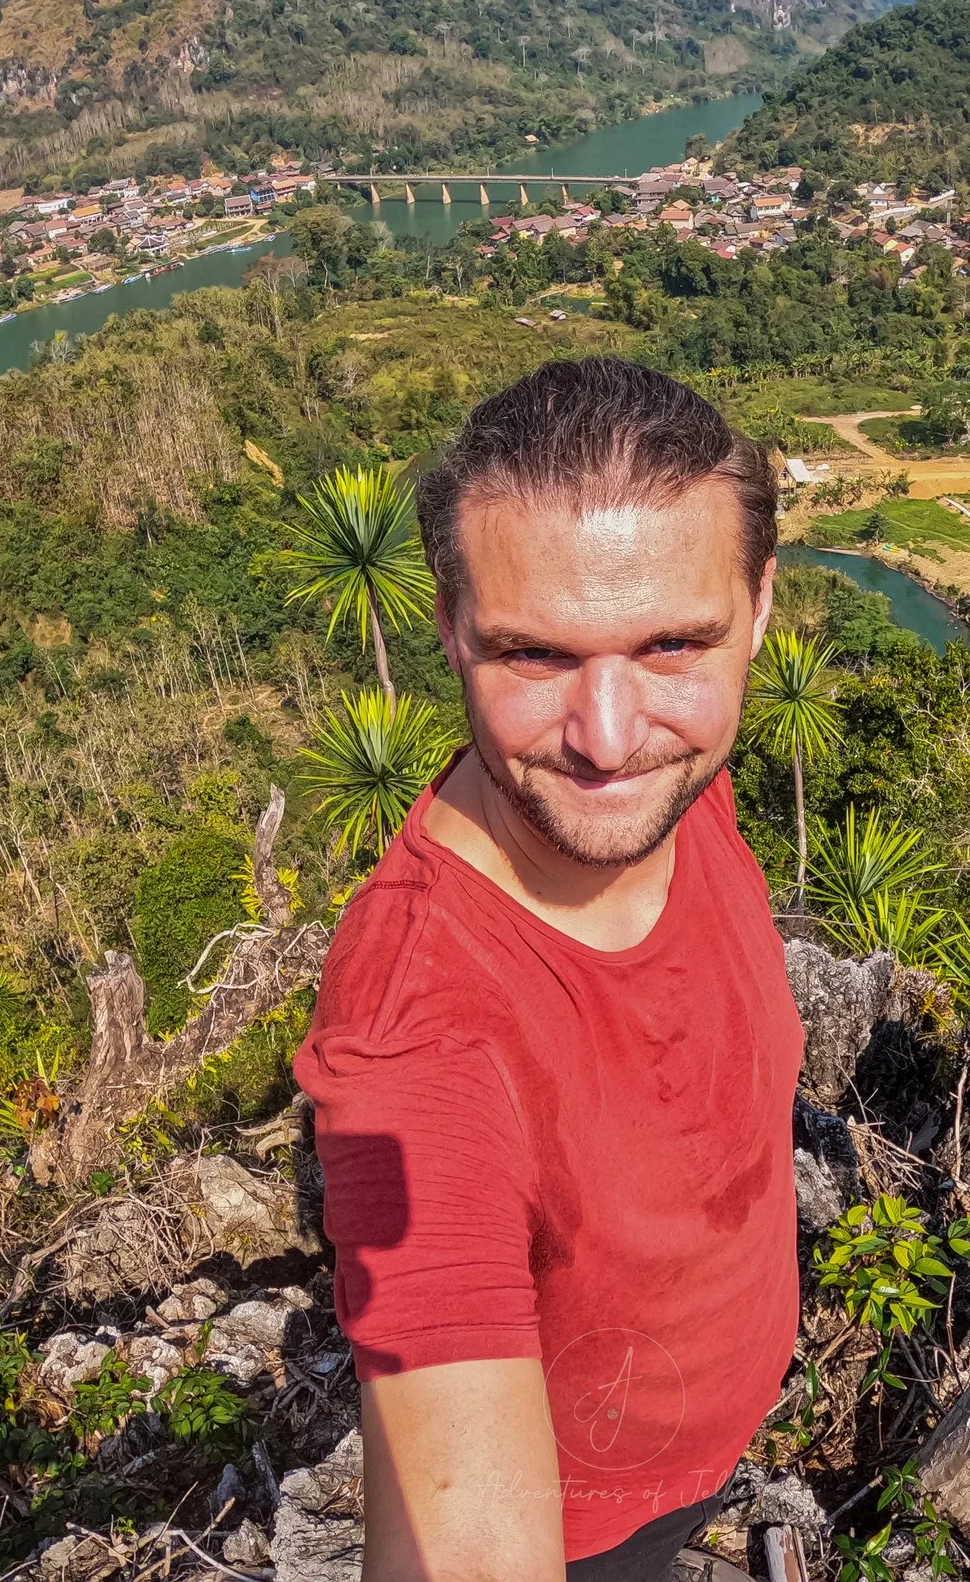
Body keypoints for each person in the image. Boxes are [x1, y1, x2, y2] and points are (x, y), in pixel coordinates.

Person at [296, 358, 805, 1581]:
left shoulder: (678, 784)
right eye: (535, 656)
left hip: (710, 1442)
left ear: (760, 607)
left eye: (674, 640)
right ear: (449, 630)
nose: (608, 736)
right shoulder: (417, 1042)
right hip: (594, 1533)